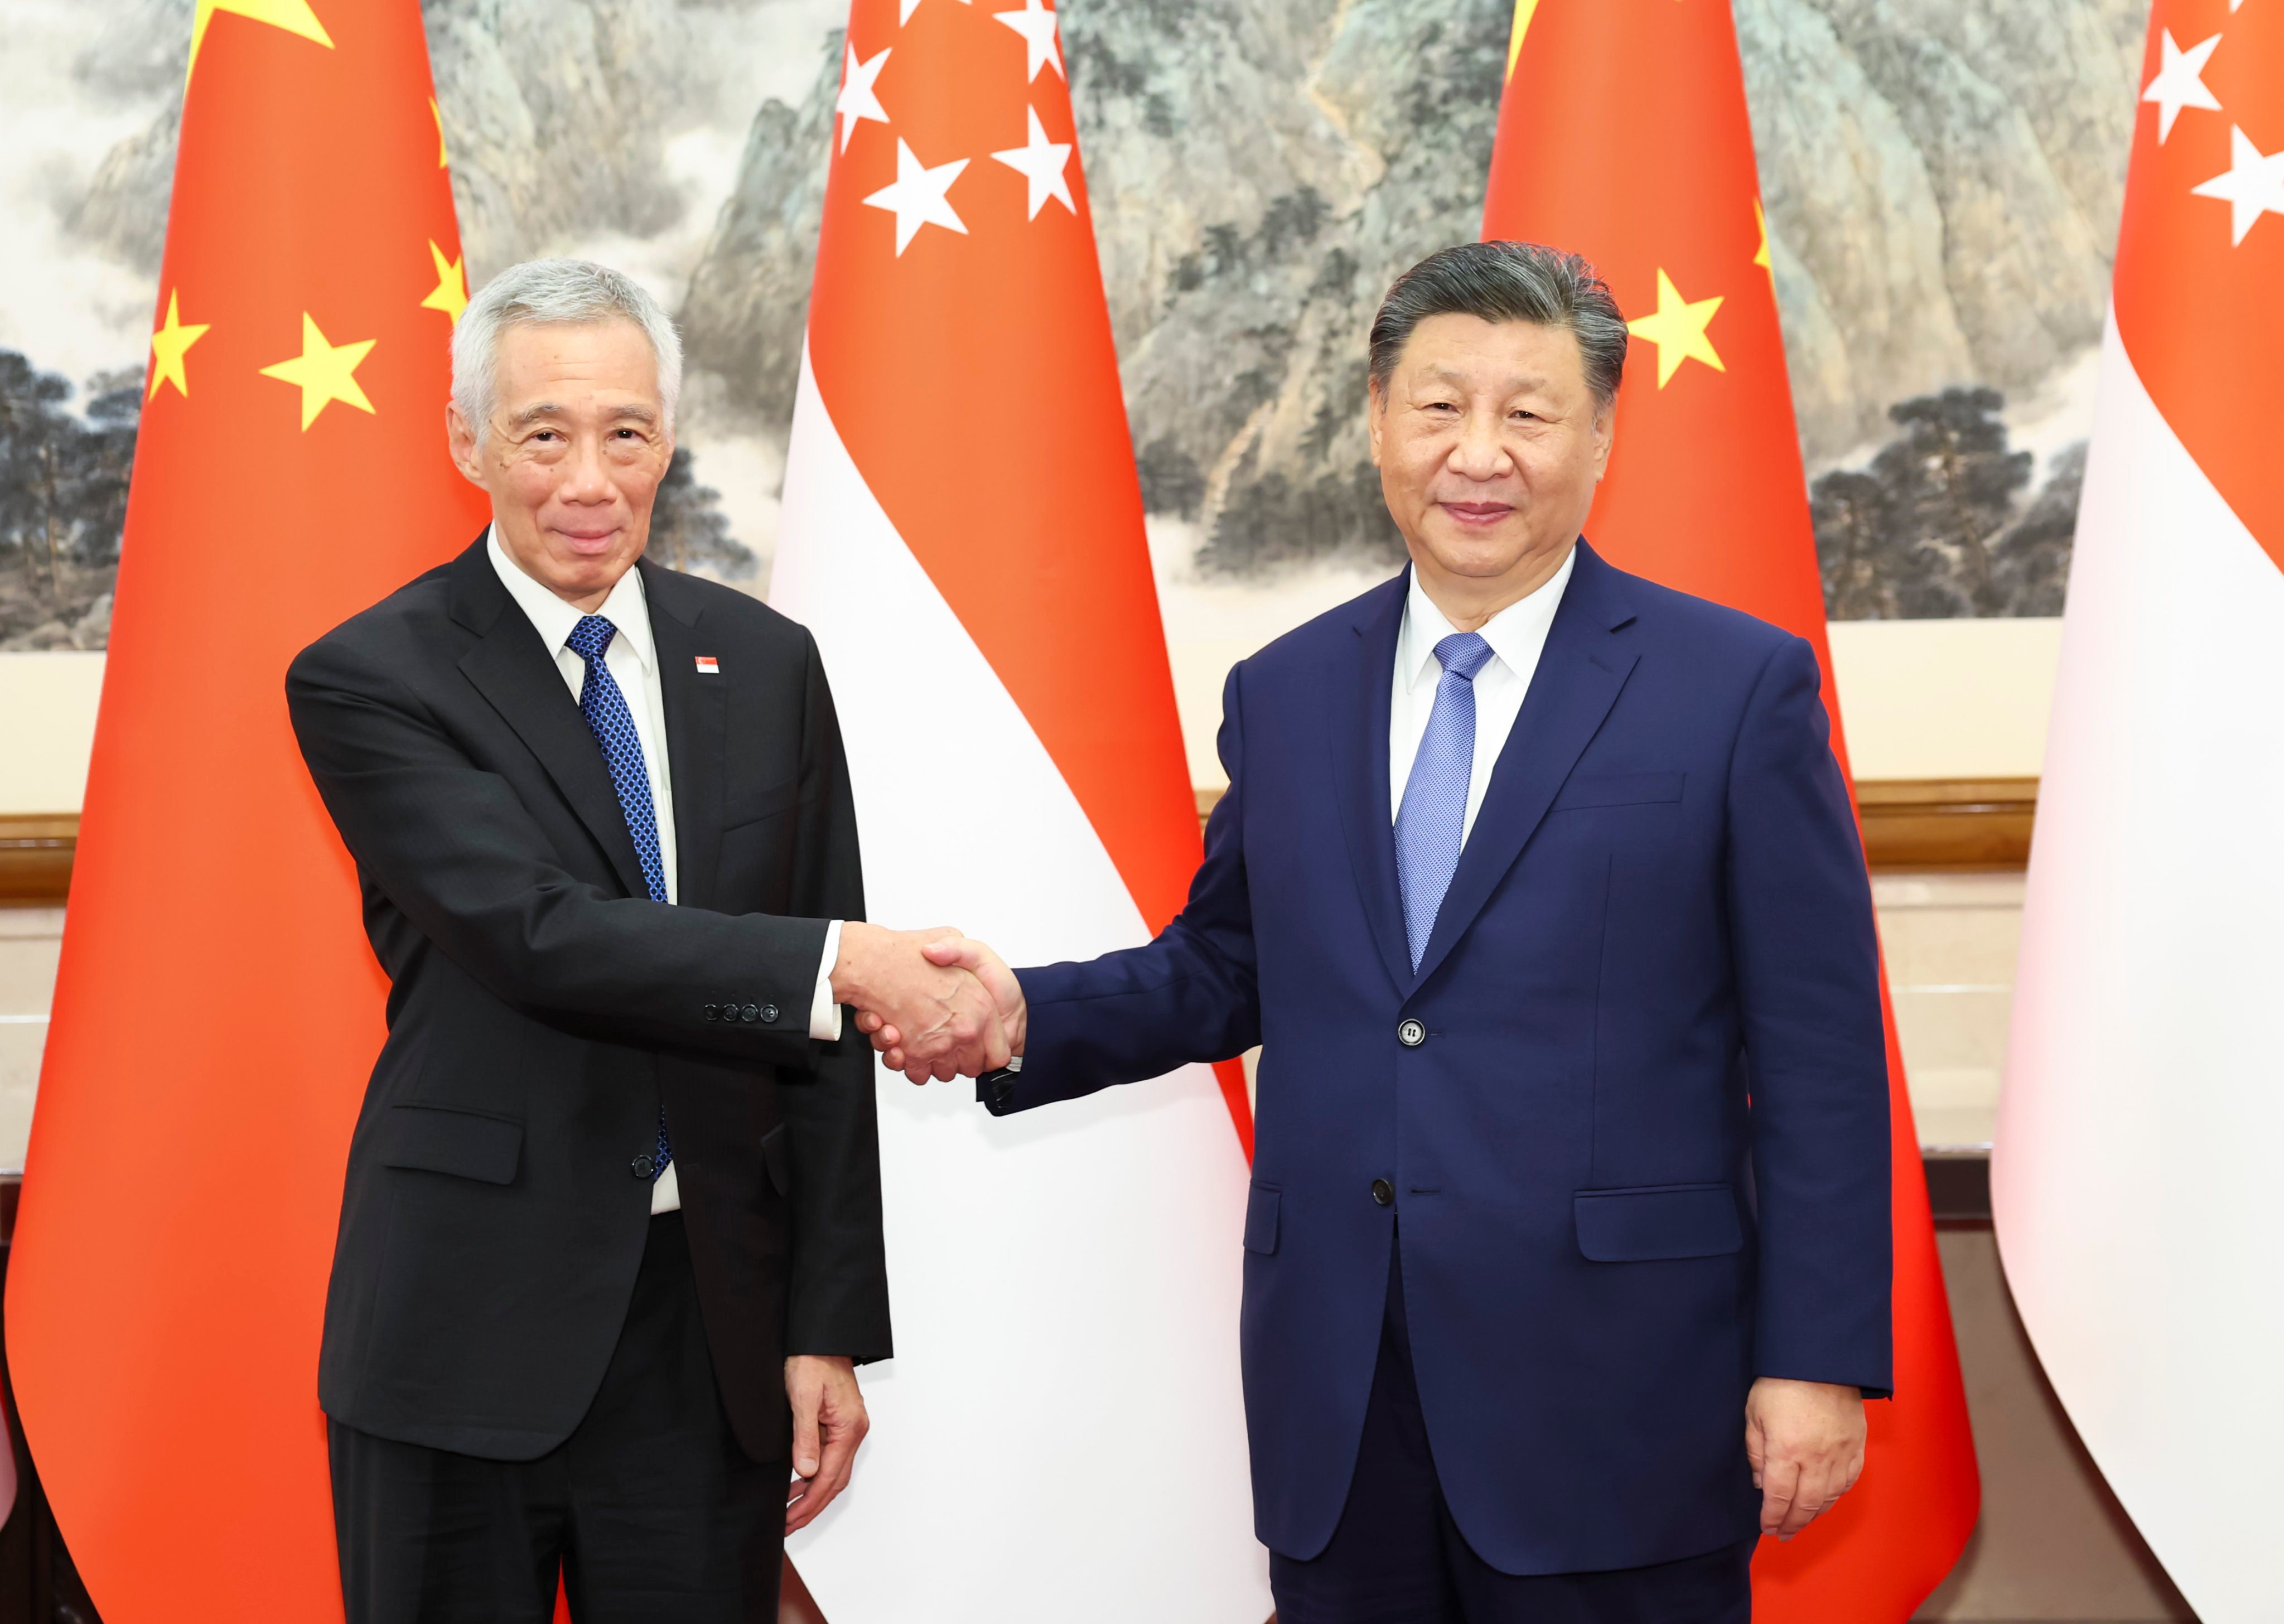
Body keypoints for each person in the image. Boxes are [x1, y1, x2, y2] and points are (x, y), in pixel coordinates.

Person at [867, 240, 1892, 1622]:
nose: (1478, 453)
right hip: (1341, 1393)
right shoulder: (1287, 691)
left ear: (1599, 434)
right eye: (1436, 407)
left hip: (1614, 1394)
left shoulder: (1731, 689)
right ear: (1374, 420)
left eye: (1526, 414)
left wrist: (1814, 1356)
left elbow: (1819, 1055)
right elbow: (1227, 964)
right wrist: (1019, 1014)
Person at [287, 258, 1010, 1622]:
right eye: (542, 432)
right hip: (465, 1325)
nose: (588, 479)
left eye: (626, 433)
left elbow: (823, 1045)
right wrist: (839, 963)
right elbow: (542, 936)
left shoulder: (766, 660)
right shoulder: (371, 674)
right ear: (467, 442)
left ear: (669, 439)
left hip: (710, 1332)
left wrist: (825, 1325)